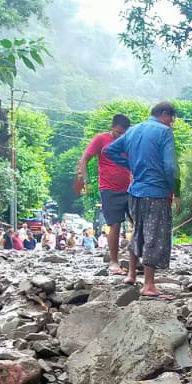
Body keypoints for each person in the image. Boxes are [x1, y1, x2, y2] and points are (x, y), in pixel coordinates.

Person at [103, 101, 178, 298]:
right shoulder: (163, 132)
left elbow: (108, 151)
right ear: (164, 114)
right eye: (171, 118)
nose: (171, 123)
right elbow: (169, 166)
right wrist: (174, 189)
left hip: (134, 191)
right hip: (156, 191)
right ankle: (149, 285)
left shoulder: (133, 131)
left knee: (138, 231)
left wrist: (130, 164)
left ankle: (130, 274)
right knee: (154, 234)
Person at [77, 113, 133, 276]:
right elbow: (85, 158)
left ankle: (136, 260)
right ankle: (114, 262)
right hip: (109, 189)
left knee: (137, 222)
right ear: (112, 127)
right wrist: (85, 180)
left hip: (130, 188)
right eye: (118, 133)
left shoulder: (128, 141)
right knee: (114, 224)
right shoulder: (101, 139)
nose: (120, 137)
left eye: (123, 134)